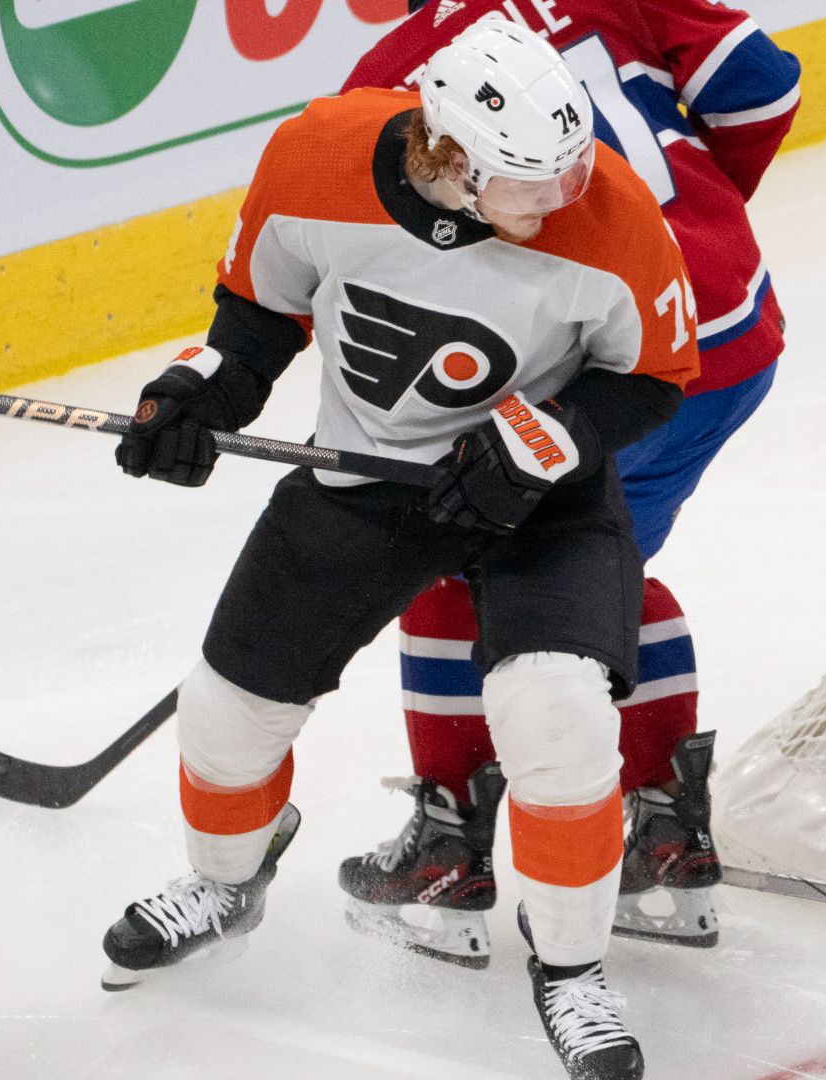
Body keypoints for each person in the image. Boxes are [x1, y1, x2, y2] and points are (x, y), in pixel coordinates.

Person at [100, 21, 698, 1080]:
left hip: (541, 499)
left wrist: (549, 436)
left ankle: (569, 971)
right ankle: (228, 883)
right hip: (367, 476)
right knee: (228, 711)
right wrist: (197, 396)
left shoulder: (606, 207)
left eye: (568, 163)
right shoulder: (315, 157)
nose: (563, 194)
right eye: (528, 177)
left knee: (555, 717)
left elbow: (650, 375)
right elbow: (254, 319)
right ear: (450, 158)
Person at [331, 0, 800, 962]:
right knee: (597, 559)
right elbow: (764, 84)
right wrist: (688, 226)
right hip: (724, 337)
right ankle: (668, 835)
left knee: (465, 567)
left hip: (609, 370)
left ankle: (446, 856)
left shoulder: (391, 74)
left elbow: (384, 254)